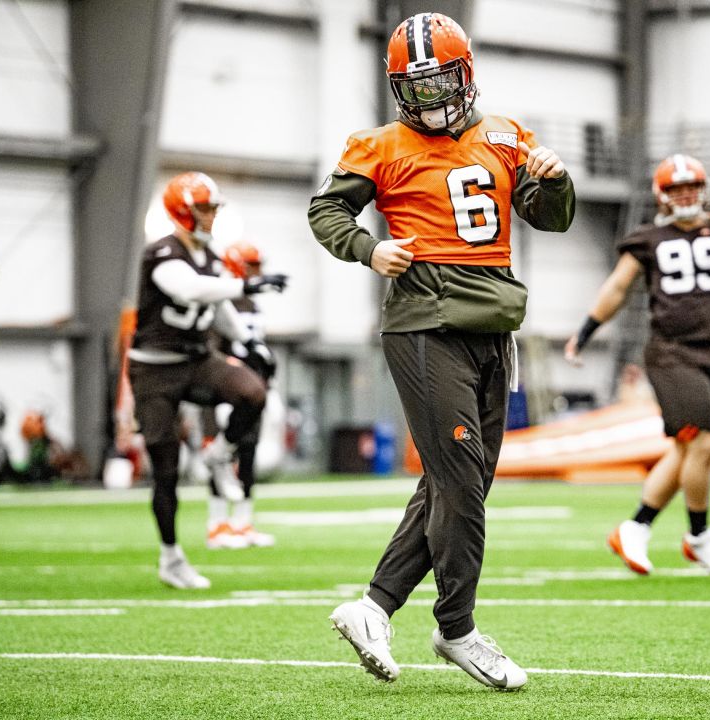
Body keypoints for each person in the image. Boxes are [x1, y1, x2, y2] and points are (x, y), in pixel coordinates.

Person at [308, 12, 575, 690]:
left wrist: (555, 177)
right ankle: (457, 628)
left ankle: (372, 607)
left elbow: (553, 216)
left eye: (437, 84)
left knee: (459, 483)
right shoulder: (379, 145)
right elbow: (327, 212)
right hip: (424, 324)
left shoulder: (510, 136)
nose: (428, 99)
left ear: (465, 76)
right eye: (414, 87)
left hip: (493, 324)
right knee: (459, 481)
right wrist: (371, 249)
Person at [565, 154, 710, 578]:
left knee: (685, 449)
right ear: (662, 195)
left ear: (703, 190)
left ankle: (636, 526)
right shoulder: (648, 238)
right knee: (702, 443)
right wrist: (585, 332)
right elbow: (618, 287)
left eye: (691, 187)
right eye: (676, 189)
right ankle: (699, 537)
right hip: (669, 352)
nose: (685, 195)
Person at [128, 172, 285, 589]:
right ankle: (171, 557)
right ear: (183, 209)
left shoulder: (210, 255)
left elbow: (217, 310)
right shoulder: (162, 251)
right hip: (154, 367)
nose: (212, 215)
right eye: (205, 207)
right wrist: (244, 283)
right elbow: (191, 290)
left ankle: (220, 454)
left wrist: (248, 342)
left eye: (214, 207)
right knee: (166, 465)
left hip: (197, 358)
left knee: (253, 390)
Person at [204, 240, 279, 550]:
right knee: (222, 456)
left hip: (253, 391)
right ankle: (217, 524)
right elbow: (211, 349)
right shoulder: (223, 302)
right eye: (253, 267)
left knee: (248, 453)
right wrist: (235, 372)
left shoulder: (252, 304)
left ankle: (243, 521)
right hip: (226, 391)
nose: (259, 273)